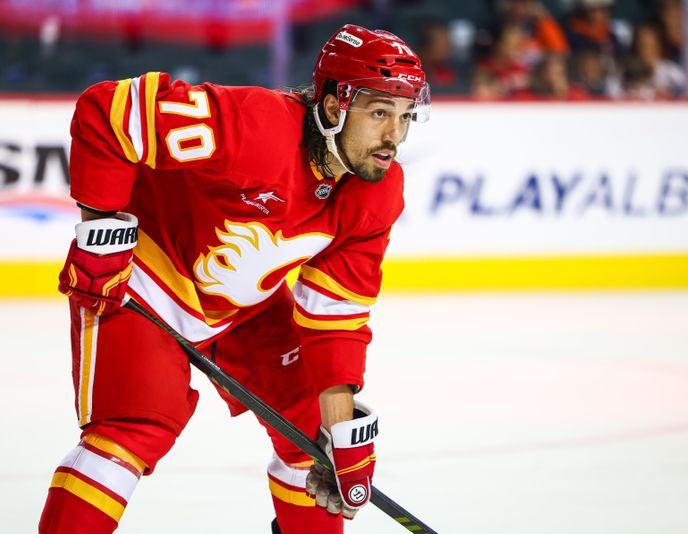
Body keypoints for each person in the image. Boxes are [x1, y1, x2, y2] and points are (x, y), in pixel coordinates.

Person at [38, 24, 430, 534]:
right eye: (379, 113)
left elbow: (335, 319)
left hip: (244, 305)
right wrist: (103, 227)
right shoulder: (256, 128)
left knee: (313, 441)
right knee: (132, 429)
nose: (394, 136)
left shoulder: (377, 193)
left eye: (404, 116)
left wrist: (339, 433)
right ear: (335, 107)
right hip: (145, 278)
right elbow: (109, 112)